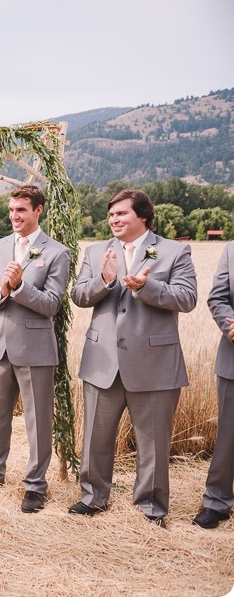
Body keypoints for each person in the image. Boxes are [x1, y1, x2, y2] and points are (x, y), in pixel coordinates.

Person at [69, 189, 196, 527]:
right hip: (102, 361)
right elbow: (78, 295)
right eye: (111, 215)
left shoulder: (174, 251)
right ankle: (92, 497)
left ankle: (151, 507)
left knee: (153, 441)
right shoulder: (96, 251)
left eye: (121, 214)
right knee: (95, 436)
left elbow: (187, 298)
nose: (114, 220)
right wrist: (105, 280)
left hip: (154, 363)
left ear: (142, 217)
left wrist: (145, 288)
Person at [0, 185, 70, 513]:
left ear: (38, 210)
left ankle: (36, 485)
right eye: (11, 210)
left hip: (35, 349)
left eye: (21, 210)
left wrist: (20, 287)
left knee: (37, 422)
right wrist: (1, 290)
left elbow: (52, 304)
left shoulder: (56, 252)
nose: (14, 216)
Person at [194, 241, 234, 529]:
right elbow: (218, 298)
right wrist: (231, 324)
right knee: (228, 434)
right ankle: (217, 502)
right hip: (233, 357)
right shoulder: (231, 250)